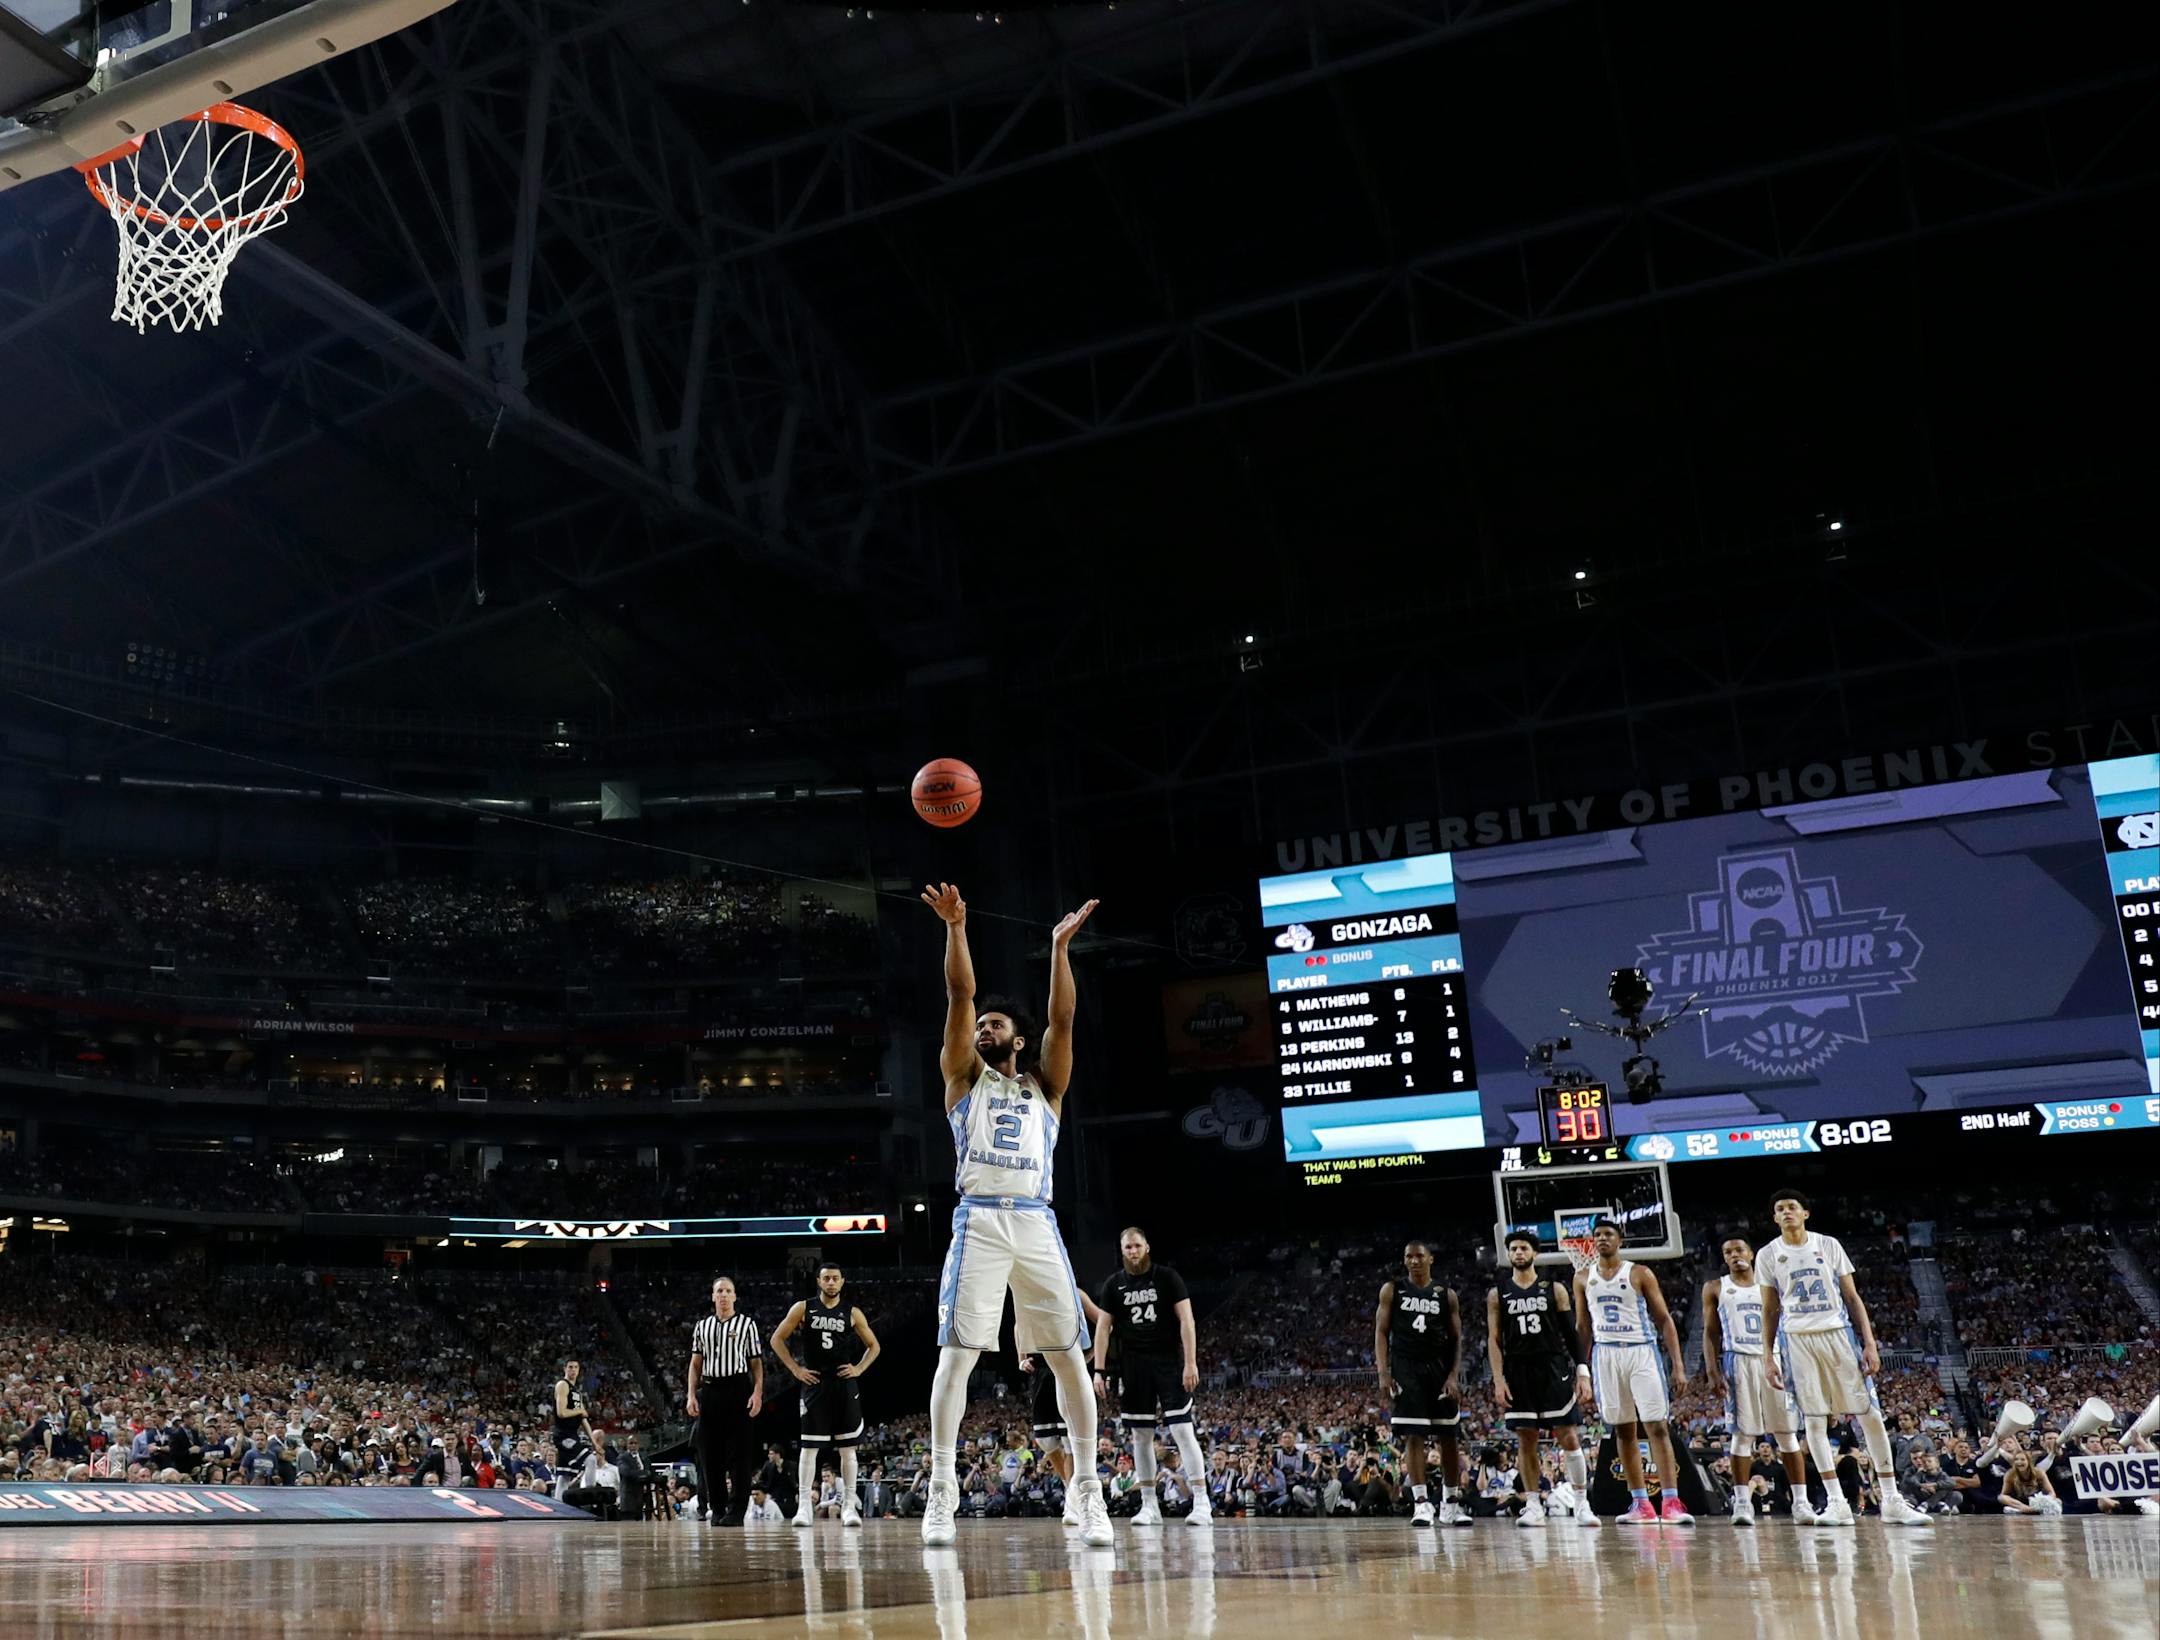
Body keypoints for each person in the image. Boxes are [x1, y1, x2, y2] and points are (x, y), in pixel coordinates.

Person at [918, 880, 1112, 1548]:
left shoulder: (1045, 1085)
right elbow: (960, 994)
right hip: (978, 1219)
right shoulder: (961, 1079)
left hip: (1034, 1218)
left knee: (1069, 1360)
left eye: (995, 1026)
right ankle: (941, 1489)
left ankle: (1088, 1490)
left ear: (1018, 1041)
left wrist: (1059, 948)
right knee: (956, 1358)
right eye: (980, 1027)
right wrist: (955, 927)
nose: (983, 1029)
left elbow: (1063, 1021)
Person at [1757, 1190, 1930, 1528]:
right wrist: (1768, 1355)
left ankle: (1892, 1498)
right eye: (1780, 1209)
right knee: (1816, 1421)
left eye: (1792, 1207)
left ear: (1805, 1213)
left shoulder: (1828, 1244)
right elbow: (1769, 1308)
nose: (1787, 1212)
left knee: (1870, 1415)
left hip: (1838, 1334)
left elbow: (1852, 1296)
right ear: (1775, 1218)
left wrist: (1869, 1342)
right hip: (1796, 1340)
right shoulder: (1768, 1254)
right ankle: (1836, 1502)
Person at [1573, 1217, 1694, 1525]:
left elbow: (1665, 1320)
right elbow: (1583, 1327)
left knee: (1656, 1426)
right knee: (1622, 1430)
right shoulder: (1583, 1277)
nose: (1602, 1239)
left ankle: (1671, 1501)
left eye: (1608, 1234)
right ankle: (1640, 1503)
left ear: (1620, 1240)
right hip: (1606, 1355)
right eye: (1597, 1235)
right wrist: (1581, 1369)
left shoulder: (1639, 1273)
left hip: (1641, 1349)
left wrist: (1678, 1366)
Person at [1093, 1226, 1213, 1528]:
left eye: (1136, 1246)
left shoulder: (1167, 1278)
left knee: (1183, 1430)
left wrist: (1190, 1362)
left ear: (1147, 1247)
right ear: (1122, 1252)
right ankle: (1149, 1505)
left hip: (1168, 1361)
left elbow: (1187, 1320)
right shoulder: (1113, 1285)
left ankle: (1201, 1502)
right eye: (1127, 1248)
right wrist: (1099, 1370)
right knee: (1140, 1436)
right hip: (1133, 1366)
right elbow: (1102, 1328)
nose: (1132, 1251)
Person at [1487, 1230, 1598, 1528]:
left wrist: (1582, 1371)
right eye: (1513, 1249)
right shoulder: (1498, 1294)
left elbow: (1570, 1334)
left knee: (1569, 1435)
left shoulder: (1555, 1289)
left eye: (1523, 1248)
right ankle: (1533, 1504)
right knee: (1526, 1439)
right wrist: (1498, 1379)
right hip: (1518, 1369)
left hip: (1552, 1365)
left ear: (1534, 1253)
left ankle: (1582, 1503)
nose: (1518, 1252)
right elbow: (1494, 1339)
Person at [1703, 1235, 1815, 1527]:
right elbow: (1710, 1332)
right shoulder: (1716, 1287)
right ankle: (1742, 1503)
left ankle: (1800, 1502)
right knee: (1742, 1435)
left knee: (1786, 1433)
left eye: (1739, 1249)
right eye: (1727, 1252)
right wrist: (1712, 1370)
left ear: (1751, 1253)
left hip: (1774, 1358)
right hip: (1737, 1360)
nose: (1734, 1255)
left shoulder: (1771, 1282)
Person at [771, 1261, 882, 1529]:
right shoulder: (803, 1307)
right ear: (819, 1282)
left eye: (835, 1278)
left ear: (842, 1282)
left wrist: (859, 1368)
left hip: (844, 1384)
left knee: (848, 1449)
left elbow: (874, 1345)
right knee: (809, 1449)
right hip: (815, 1383)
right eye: (826, 1278)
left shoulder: (852, 1312)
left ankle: (849, 1506)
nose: (831, 1282)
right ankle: (804, 1507)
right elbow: (777, 1339)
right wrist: (796, 1370)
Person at [1375, 1239, 1470, 1527]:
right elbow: (1381, 1332)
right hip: (1407, 1369)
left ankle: (1451, 1504)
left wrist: (1453, 1375)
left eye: (1419, 1256)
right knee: (1413, 1436)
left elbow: (1456, 1339)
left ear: (1430, 1259)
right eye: (1408, 1257)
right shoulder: (1392, 1290)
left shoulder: (1446, 1295)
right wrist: (1383, 1373)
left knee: (1448, 1438)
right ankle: (1421, 1503)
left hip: (1439, 1370)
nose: (1414, 1261)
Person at [687, 1275, 766, 1526]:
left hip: (738, 1388)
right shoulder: (702, 1326)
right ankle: (718, 1508)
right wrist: (691, 1394)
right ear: (713, 1296)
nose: (723, 1295)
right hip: (710, 1390)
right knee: (710, 1454)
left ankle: (737, 1509)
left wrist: (757, 1392)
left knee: (739, 1454)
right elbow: (695, 1363)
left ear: (734, 1296)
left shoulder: (747, 1324)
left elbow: (756, 1362)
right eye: (719, 1290)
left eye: (727, 1290)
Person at [551, 1359, 596, 1500]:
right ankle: (591, 1497)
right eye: (570, 1367)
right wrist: (580, 1411)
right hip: (563, 1435)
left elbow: (583, 1419)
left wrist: (595, 1443)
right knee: (591, 1460)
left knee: (565, 1475)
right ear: (565, 1368)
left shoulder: (577, 1391)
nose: (573, 1370)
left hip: (572, 1434)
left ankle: (558, 1507)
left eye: (576, 1367)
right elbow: (562, 1413)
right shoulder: (562, 1385)